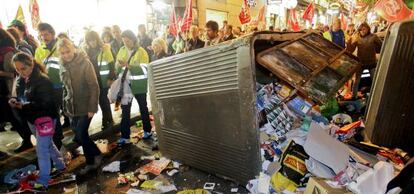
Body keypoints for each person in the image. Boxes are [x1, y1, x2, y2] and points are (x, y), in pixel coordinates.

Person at [9, 52, 65, 191]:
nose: (21, 72)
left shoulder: (42, 80)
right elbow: (23, 97)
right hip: (33, 119)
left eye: (23, 69)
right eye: (17, 69)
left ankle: (43, 180)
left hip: (45, 119)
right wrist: (16, 101)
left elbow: (46, 104)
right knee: (48, 145)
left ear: (31, 64)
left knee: (42, 150)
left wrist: (24, 105)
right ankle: (60, 165)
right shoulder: (22, 80)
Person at [58, 38, 102, 174]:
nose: (66, 55)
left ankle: (91, 162)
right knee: (78, 134)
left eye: (68, 51)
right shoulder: (63, 65)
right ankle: (96, 153)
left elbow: (94, 87)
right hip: (71, 108)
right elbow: (65, 88)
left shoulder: (85, 63)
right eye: (63, 53)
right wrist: (64, 106)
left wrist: (92, 107)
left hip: (85, 106)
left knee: (82, 134)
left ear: (74, 48)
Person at [116, 30, 152, 144]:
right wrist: (118, 66)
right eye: (124, 41)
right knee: (125, 110)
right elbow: (117, 68)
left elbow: (145, 69)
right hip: (125, 85)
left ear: (133, 40)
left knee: (143, 108)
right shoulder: (121, 50)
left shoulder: (141, 51)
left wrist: (129, 66)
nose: (126, 43)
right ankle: (125, 137)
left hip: (139, 85)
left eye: (128, 41)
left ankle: (147, 131)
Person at [0, 29, 33, 153]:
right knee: (14, 118)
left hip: (12, 91)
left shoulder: (8, 53)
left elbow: (17, 73)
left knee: (19, 118)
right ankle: (27, 139)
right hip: (6, 92)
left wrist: (2, 73)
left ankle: (28, 140)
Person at [35, 23, 65, 148]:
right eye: (41, 35)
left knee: (68, 110)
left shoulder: (62, 47)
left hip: (63, 85)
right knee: (53, 112)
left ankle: (77, 133)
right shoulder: (39, 50)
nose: (44, 37)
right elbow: (37, 68)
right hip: (48, 88)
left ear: (52, 33)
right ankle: (58, 137)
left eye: (46, 34)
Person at [83, 31, 115, 130]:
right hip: (92, 79)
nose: (92, 43)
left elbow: (111, 64)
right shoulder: (86, 51)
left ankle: (107, 119)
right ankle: (107, 119)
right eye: (89, 41)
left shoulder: (105, 49)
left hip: (104, 79)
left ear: (97, 39)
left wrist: (110, 78)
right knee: (100, 100)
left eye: (93, 40)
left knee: (103, 99)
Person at [347, 22, 382, 98]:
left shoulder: (373, 36)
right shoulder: (357, 37)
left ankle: (376, 95)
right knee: (357, 81)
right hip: (361, 63)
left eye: (364, 29)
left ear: (368, 29)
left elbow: (381, 45)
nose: (362, 31)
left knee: (374, 80)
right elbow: (350, 49)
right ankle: (354, 96)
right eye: (361, 30)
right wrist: (350, 41)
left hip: (371, 62)